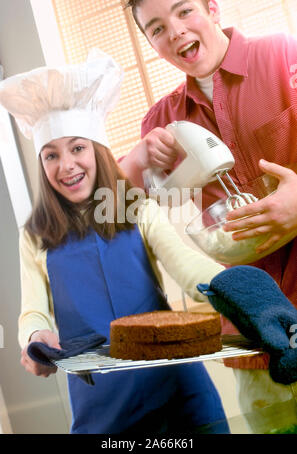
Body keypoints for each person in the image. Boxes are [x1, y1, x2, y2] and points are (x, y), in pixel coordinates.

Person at [0, 49, 230, 434]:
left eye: (77, 148)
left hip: (181, 397)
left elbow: (188, 266)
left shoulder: (138, 208)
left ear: (97, 151)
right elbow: (33, 311)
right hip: (101, 415)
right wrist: (35, 338)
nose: (66, 165)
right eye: (51, 155)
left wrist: (240, 291)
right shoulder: (36, 235)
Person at [119, 0, 297, 433]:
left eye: (184, 13)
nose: (175, 32)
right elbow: (110, 210)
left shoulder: (283, 53)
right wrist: (140, 159)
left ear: (211, 8)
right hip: (251, 338)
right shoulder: (162, 124)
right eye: (157, 29)